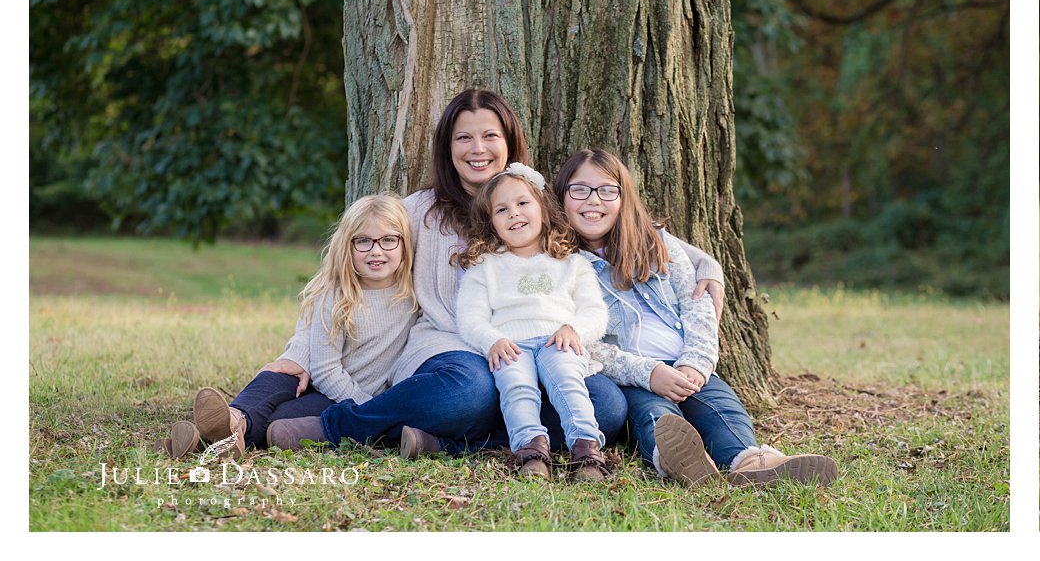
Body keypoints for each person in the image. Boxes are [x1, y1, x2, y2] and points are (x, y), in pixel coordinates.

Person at [264, 89, 627, 455]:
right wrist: (299, 350)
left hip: (537, 347)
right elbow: (343, 275)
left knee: (607, 407)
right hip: (449, 348)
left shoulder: (535, 208)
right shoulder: (417, 212)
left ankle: (439, 443)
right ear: (447, 148)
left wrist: (689, 267)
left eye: (490, 136)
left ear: (510, 143)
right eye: (464, 137)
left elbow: (629, 236)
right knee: (472, 389)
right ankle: (339, 427)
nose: (478, 148)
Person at [554, 148, 839, 486]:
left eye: (607, 190)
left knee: (721, 407)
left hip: (686, 364)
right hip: (633, 376)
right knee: (655, 417)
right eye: (579, 190)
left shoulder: (657, 244)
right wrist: (649, 373)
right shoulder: (562, 266)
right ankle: (684, 462)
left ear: (623, 198)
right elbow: (586, 345)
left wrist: (695, 364)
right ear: (561, 197)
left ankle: (754, 460)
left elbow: (698, 305)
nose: (593, 201)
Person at [161, 194, 419, 457]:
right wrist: (369, 408)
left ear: (405, 244)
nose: (376, 250)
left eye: (389, 240)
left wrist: (367, 409)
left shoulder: (415, 296)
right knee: (276, 378)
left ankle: (202, 441)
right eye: (364, 241)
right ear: (348, 247)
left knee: (280, 421)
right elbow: (325, 369)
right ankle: (231, 420)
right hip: (321, 380)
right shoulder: (336, 295)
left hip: (339, 400)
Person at [454, 163, 611, 480]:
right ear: (491, 223)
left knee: (568, 381)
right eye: (502, 209)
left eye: (522, 203)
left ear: (542, 207)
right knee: (517, 387)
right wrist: (492, 340)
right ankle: (531, 452)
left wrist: (575, 329)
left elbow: (595, 311)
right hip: (511, 344)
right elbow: (469, 316)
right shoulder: (486, 266)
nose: (514, 213)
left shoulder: (571, 263)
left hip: (559, 340)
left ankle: (587, 452)